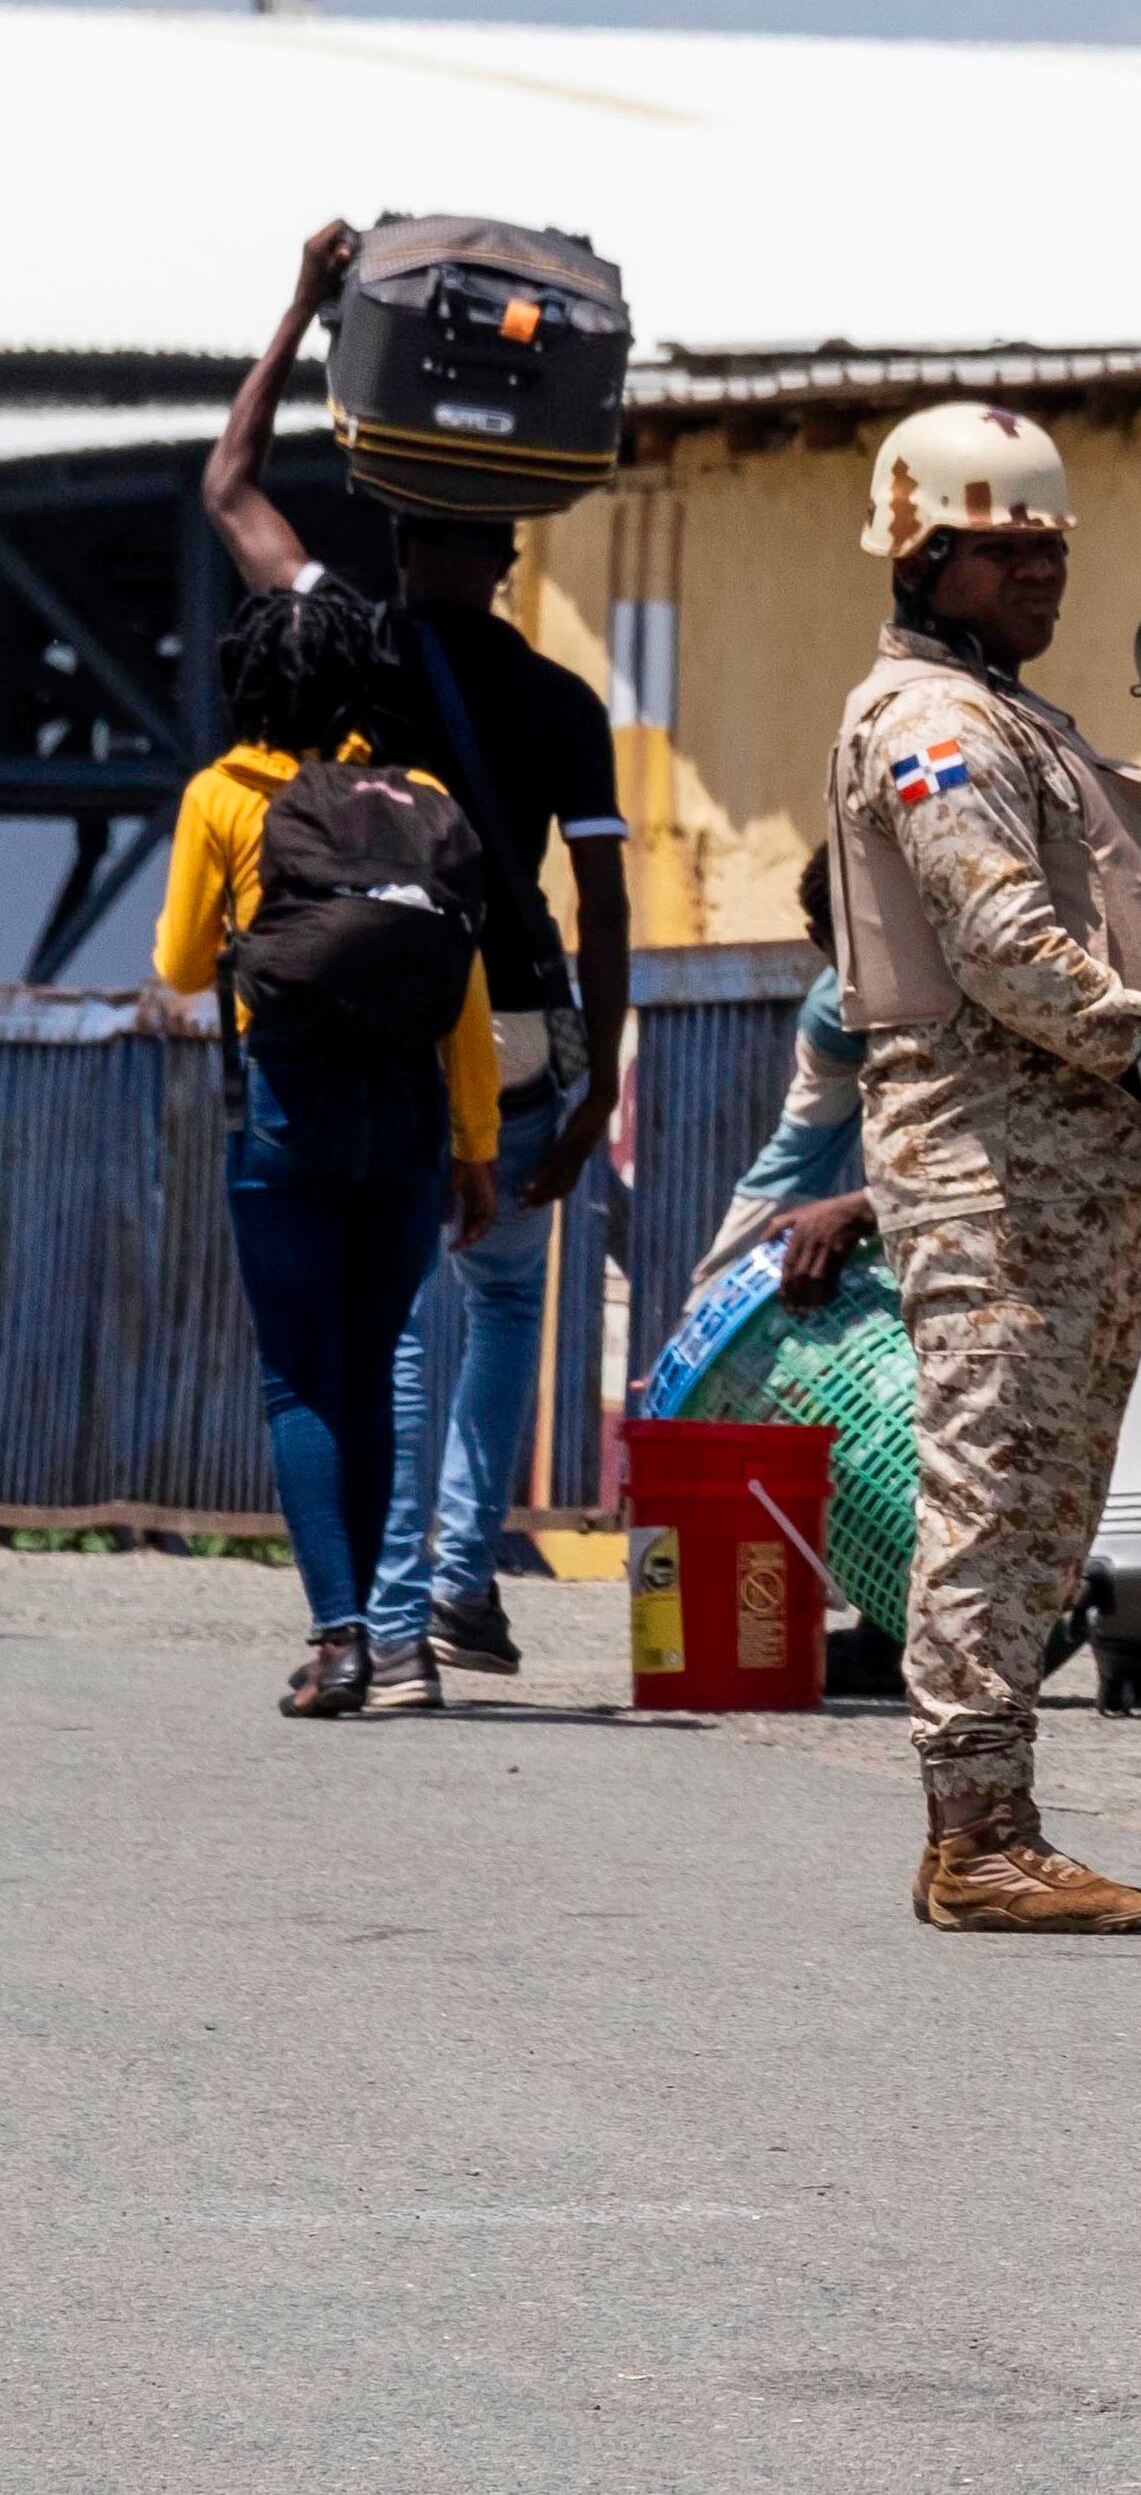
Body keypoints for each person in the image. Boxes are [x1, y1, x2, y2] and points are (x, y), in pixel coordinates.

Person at [827, 400, 1141, 1933]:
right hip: (993, 1169)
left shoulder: (1017, 717)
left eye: (1048, 547)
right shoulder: (936, 725)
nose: (1039, 572)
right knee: (994, 1490)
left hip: (1075, 1176)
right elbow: (1002, 943)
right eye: (1003, 549)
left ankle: (996, 1821)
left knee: (1043, 1503)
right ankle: (976, 1835)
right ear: (922, 553)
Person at [204, 218, 633, 1685]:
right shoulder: (567, 705)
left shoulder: (346, 651)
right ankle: (461, 1581)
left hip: (381, 1026)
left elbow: (230, 485)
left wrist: (300, 305)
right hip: (518, 1033)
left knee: (383, 1329)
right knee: (506, 1299)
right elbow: (608, 909)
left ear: (397, 538)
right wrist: (597, 1079)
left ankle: (389, 1625)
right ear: (511, 558)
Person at [153, 584, 502, 1718]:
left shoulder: (222, 795)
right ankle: (385, 1640)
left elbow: (180, 965)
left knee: (300, 1377)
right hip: (407, 1114)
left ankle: (341, 1639)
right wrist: (477, 1146)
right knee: (370, 1369)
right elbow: (463, 989)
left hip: (289, 1109)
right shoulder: (418, 798)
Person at [693, 846, 874, 1303]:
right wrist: (708, 1301)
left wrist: (867, 1208)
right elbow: (793, 1164)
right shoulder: (834, 1016)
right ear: (820, 941)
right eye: (858, 947)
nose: (882, 966)